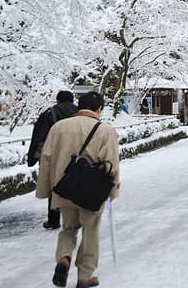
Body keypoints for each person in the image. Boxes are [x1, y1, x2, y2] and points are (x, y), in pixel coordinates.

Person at [36, 91, 120, 288]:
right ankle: (85, 276)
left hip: (65, 188)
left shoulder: (58, 128)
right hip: (92, 192)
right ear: (99, 109)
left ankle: (63, 259)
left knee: (68, 228)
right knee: (90, 231)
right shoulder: (105, 130)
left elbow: (46, 160)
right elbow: (111, 164)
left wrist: (45, 190)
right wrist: (113, 191)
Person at [27, 90, 79, 229]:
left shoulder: (49, 114)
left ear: (57, 100)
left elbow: (38, 138)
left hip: (55, 156)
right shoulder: (81, 113)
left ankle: (54, 220)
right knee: (77, 185)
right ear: (72, 100)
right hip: (78, 155)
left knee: (54, 187)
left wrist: (32, 158)